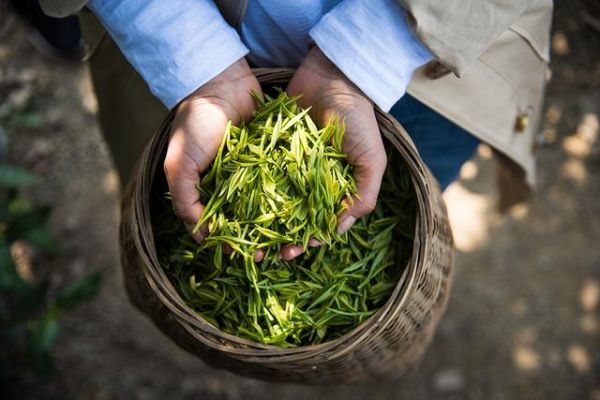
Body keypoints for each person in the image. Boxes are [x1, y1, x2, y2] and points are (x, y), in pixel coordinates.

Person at [39, 0, 553, 259]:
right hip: (184, 42)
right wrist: (192, 58)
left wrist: (360, 60)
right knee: (178, 211)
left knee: (393, 217)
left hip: (426, 58)